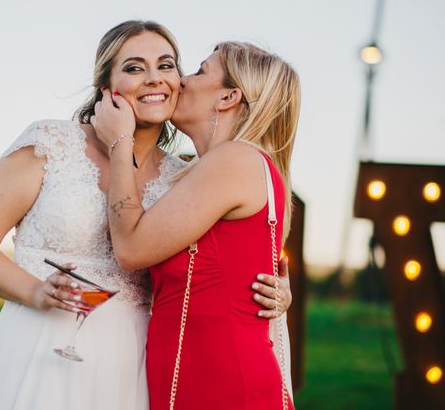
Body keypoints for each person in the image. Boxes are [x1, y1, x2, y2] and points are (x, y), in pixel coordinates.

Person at [0, 22, 289, 410]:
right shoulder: (52, 144)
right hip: (42, 341)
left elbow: (234, 252)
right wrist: (34, 291)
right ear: (106, 86)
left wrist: (278, 291)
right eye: (133, 68)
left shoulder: (183, 176)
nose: (154, 79)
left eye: (166, 65)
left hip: (134, 363)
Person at [92, 41, 300, 409]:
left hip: (223, 384)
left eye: (201, 71)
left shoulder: (234, 160)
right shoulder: (220, 167)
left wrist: (120, 143)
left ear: (228, 97)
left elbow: (131, 248)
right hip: (200, 378)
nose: (182, 81)